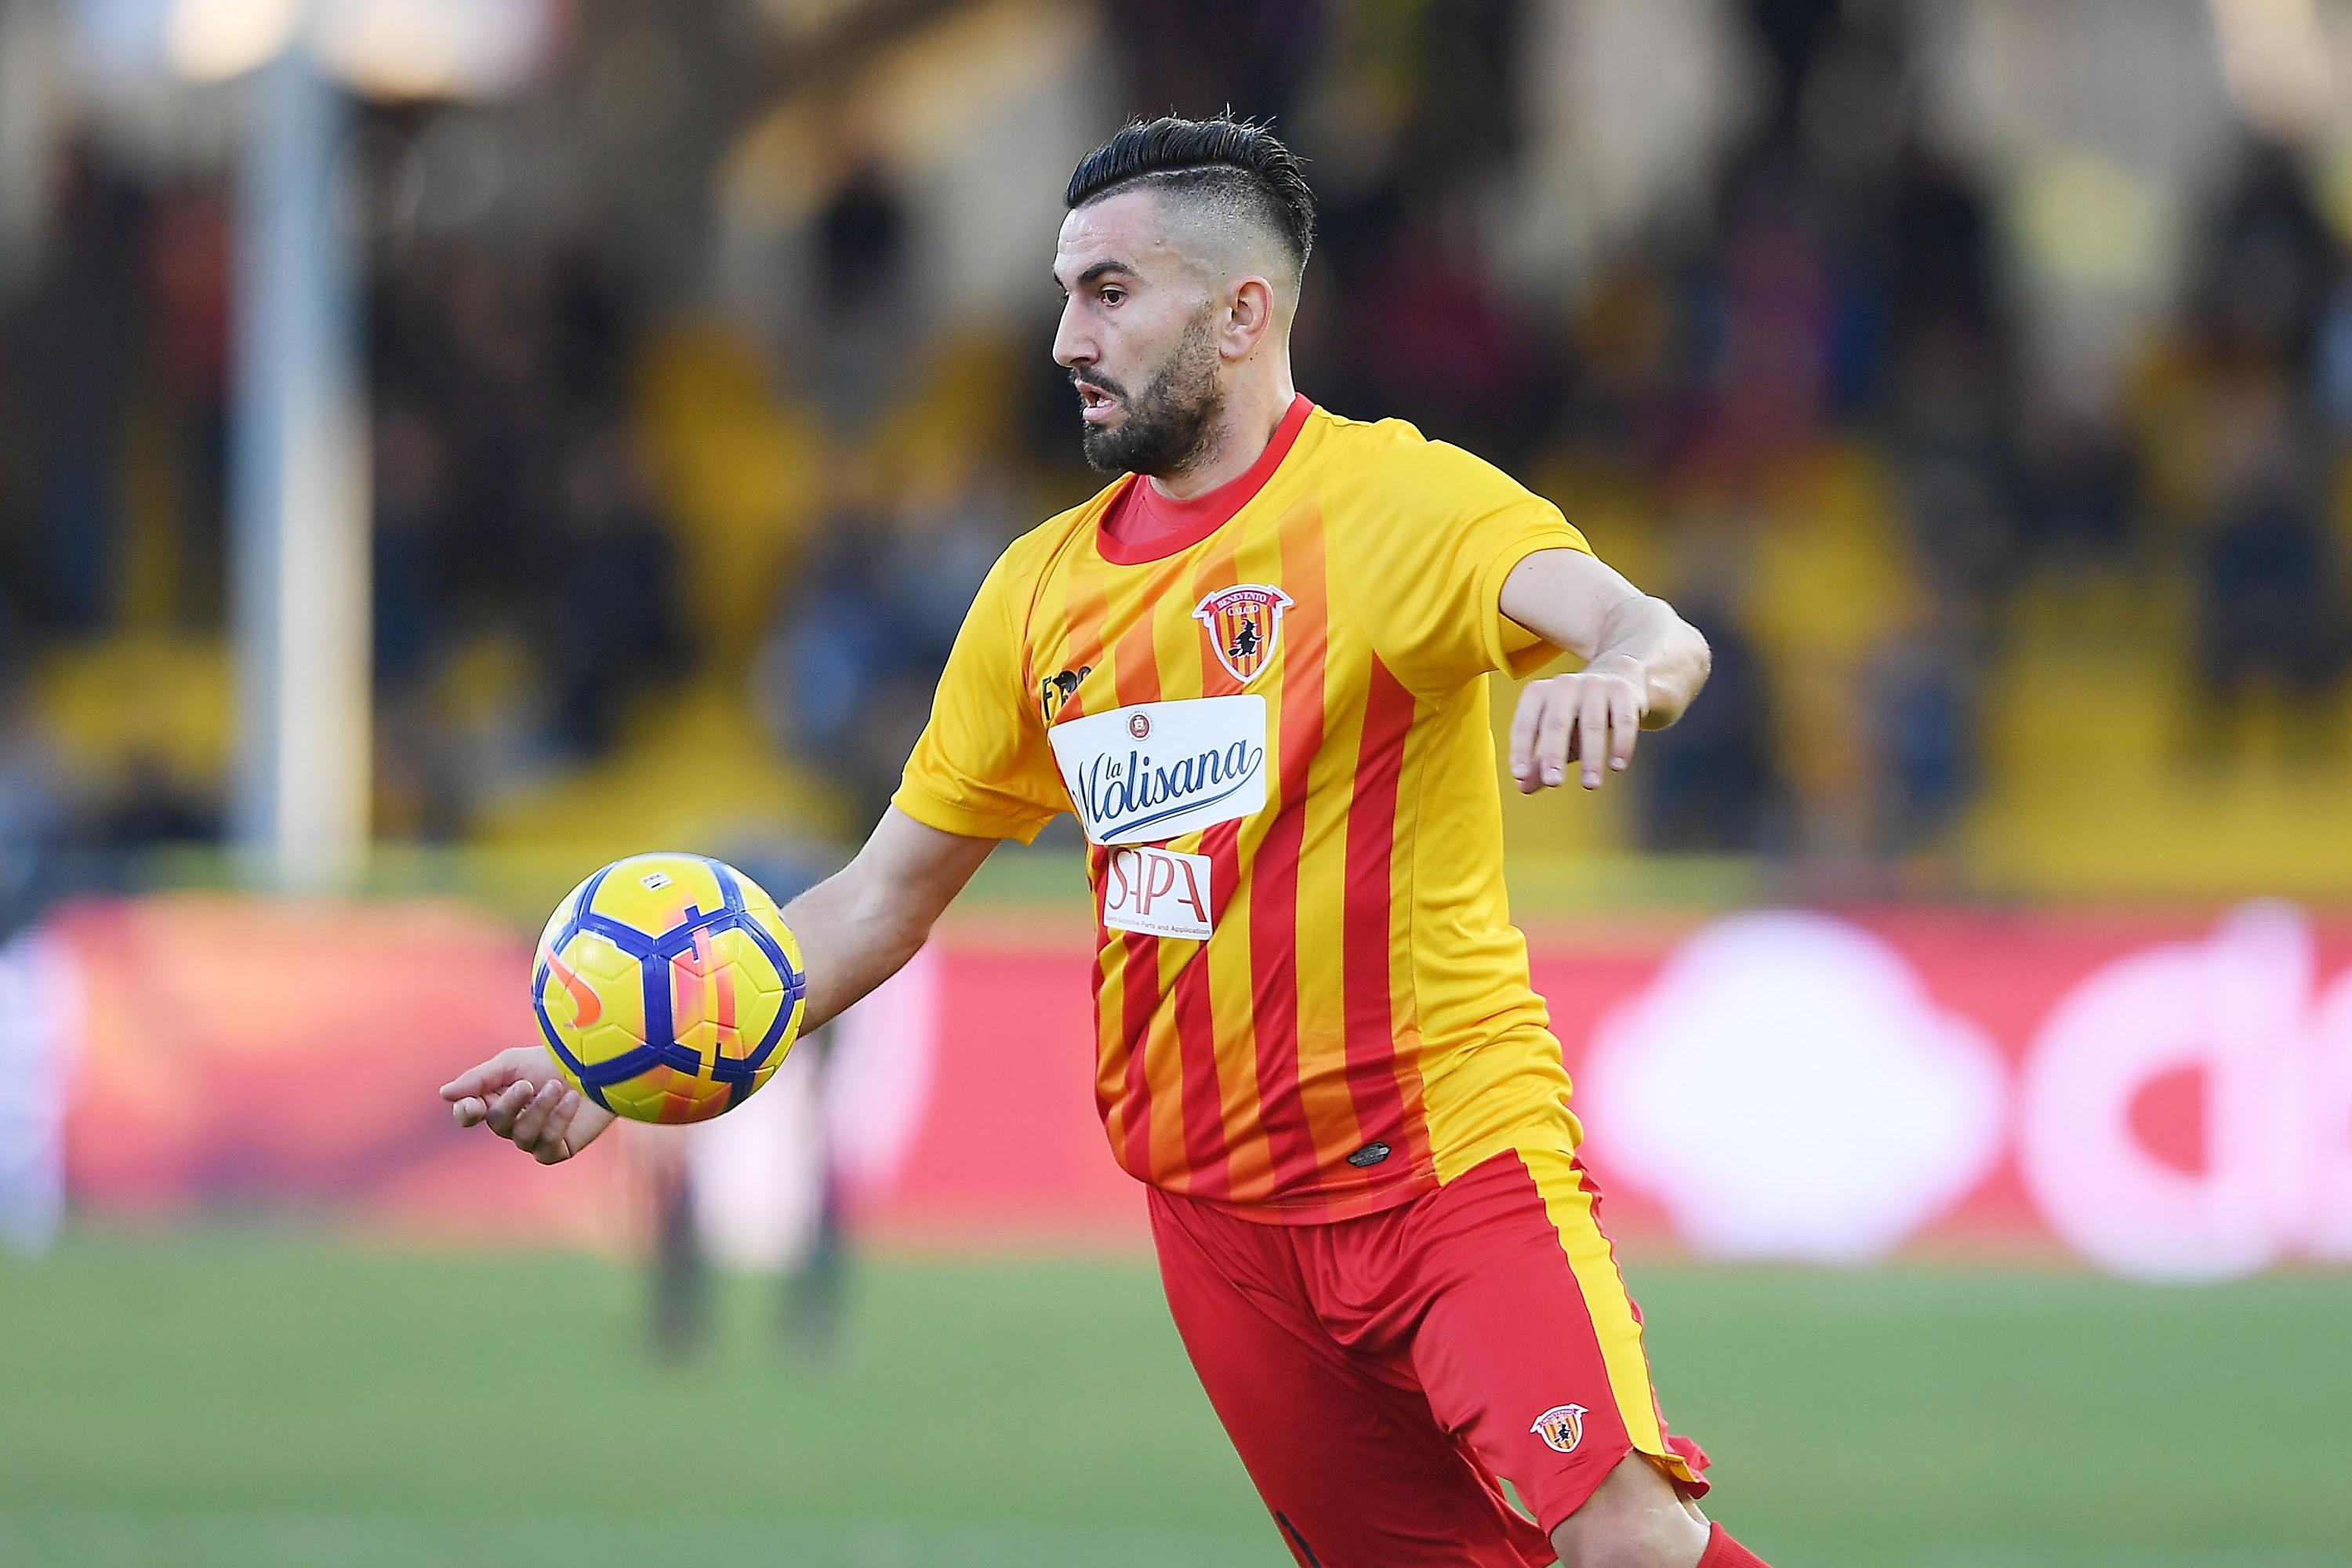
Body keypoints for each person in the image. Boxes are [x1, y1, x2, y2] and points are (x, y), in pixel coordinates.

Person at [444, 117, 1761, 1568]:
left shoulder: (1402, 502)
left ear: (1242, 311)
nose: (1067, 336)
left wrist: (1616, 682)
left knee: (1628, 1544)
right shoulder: (1040, 599)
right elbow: (880, 899)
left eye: (1112, 293)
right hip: (1218, 1226)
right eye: (1066, 292)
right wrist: (631, 1053)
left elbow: (1654, 628)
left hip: (1443, 1166)